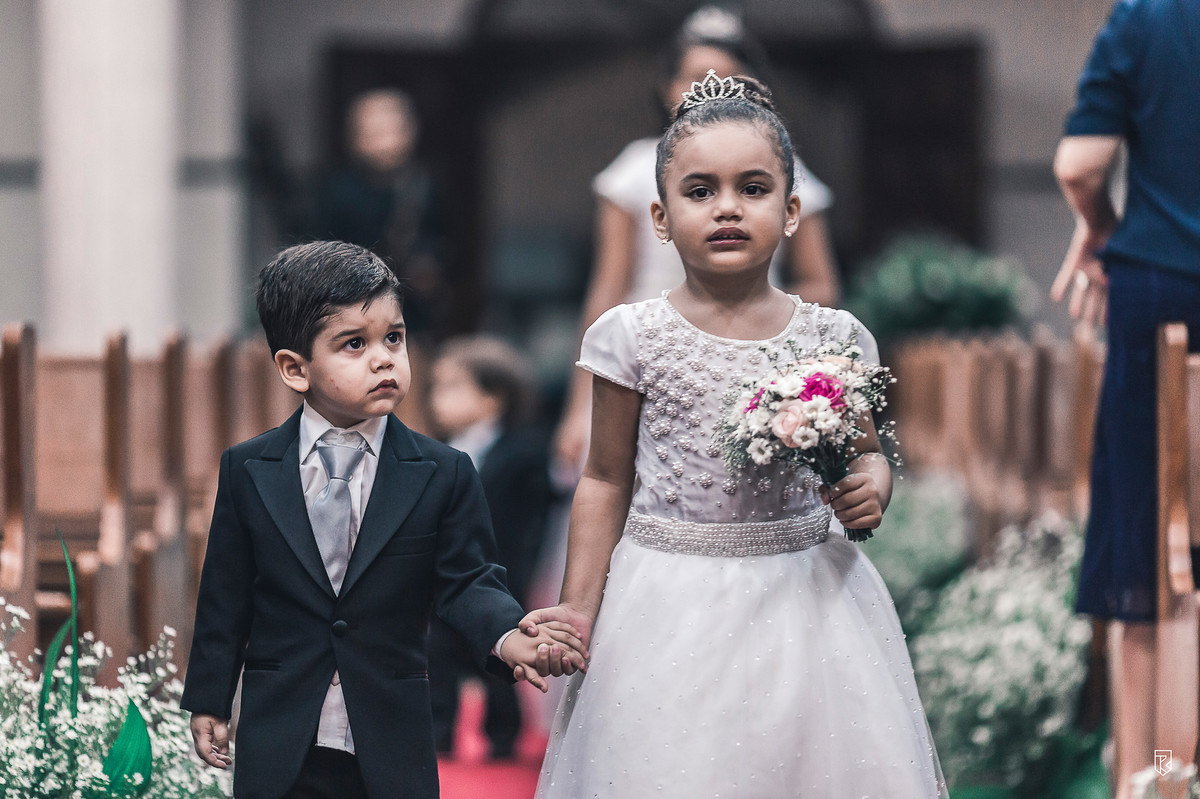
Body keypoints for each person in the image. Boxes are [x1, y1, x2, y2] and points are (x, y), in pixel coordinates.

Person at [520, 72, 946, 797]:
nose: (727, 207)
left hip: (807, 592)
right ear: (660, 218)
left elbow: (868, 455)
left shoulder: (834, 336)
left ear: (791, 210)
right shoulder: (630, 336)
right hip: (666, 592)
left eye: (753, 188)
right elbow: (605, 478)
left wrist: (870, 489)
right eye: (700, 191)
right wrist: (579, 608)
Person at [180, 241, 585, 799]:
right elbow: (224, 596)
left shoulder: (443, 471)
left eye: (393, 337)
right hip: (282, 728)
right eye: (354, 344)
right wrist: (209, 697)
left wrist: (508, 635)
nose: (384, 358)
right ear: (295, 369)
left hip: (390, 730)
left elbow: (468, 581)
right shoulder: (249, 469)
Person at [553, 5, 842, 473]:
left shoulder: (787, 170)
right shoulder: (634, 170)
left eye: (752, 190)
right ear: (667, 88)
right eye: (693, 76)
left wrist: (754, 320)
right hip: (649, 359)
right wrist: (577, 407)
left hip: (757, 360)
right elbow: (607, 289)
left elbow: (821, 284)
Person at [1051, 2, 1200, 796]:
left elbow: (1080, 165)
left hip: (1163, 288)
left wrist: (1102, 225)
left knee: (1151, 553)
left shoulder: (1148, 14)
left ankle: (1152, 773)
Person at [426, 336, 554, 759]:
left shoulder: (524, 451)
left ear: (493, 397)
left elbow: (535, 520)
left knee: (496, 651)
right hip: (444, 573)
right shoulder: (438, 451)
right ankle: (438, 731)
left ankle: (503, 732)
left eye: (451, 387)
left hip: (501, 570)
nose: (437, 399)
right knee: (438, 651)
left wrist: (524, 571)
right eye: (436, 388)